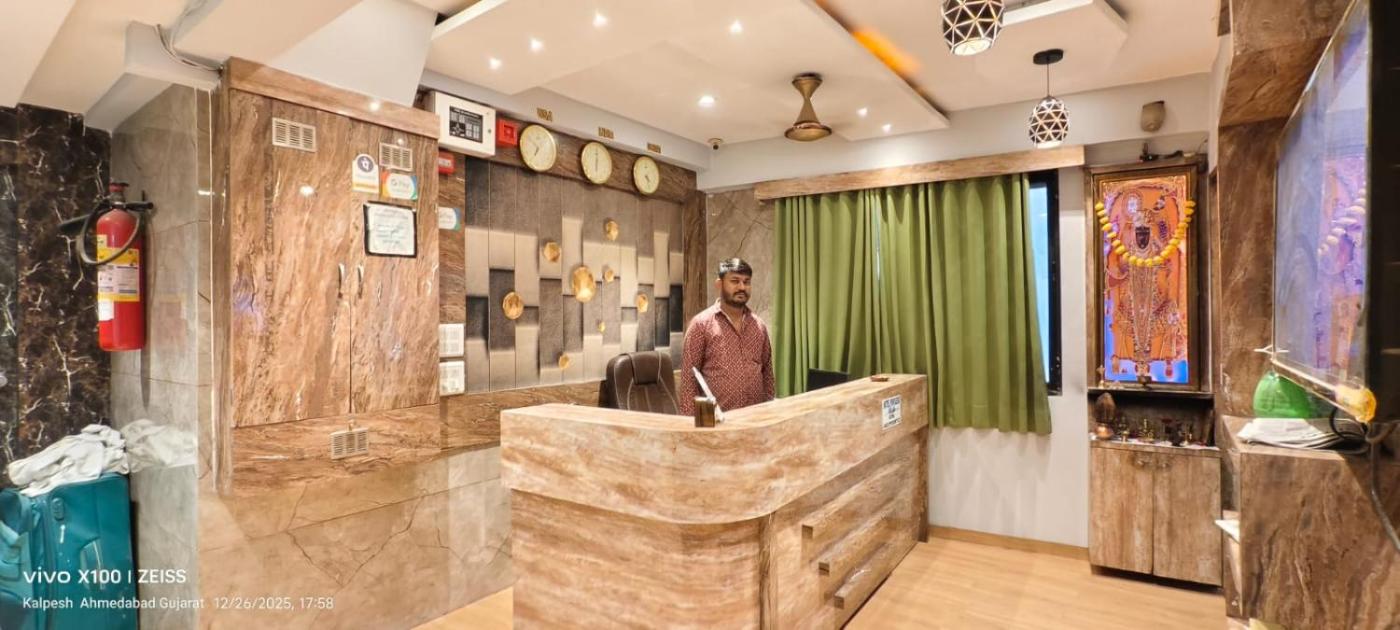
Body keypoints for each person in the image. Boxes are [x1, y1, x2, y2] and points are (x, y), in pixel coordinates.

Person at [678, 258, 775, 416]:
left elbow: (767, 375)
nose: (742, 287)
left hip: (755, 420)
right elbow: (689, 381)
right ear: (719, 284)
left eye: (746, 282)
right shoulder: (701, 325)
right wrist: (691, 425)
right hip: (716, 422)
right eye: (735, 281)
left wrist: (769, 415)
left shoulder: (759, 327)